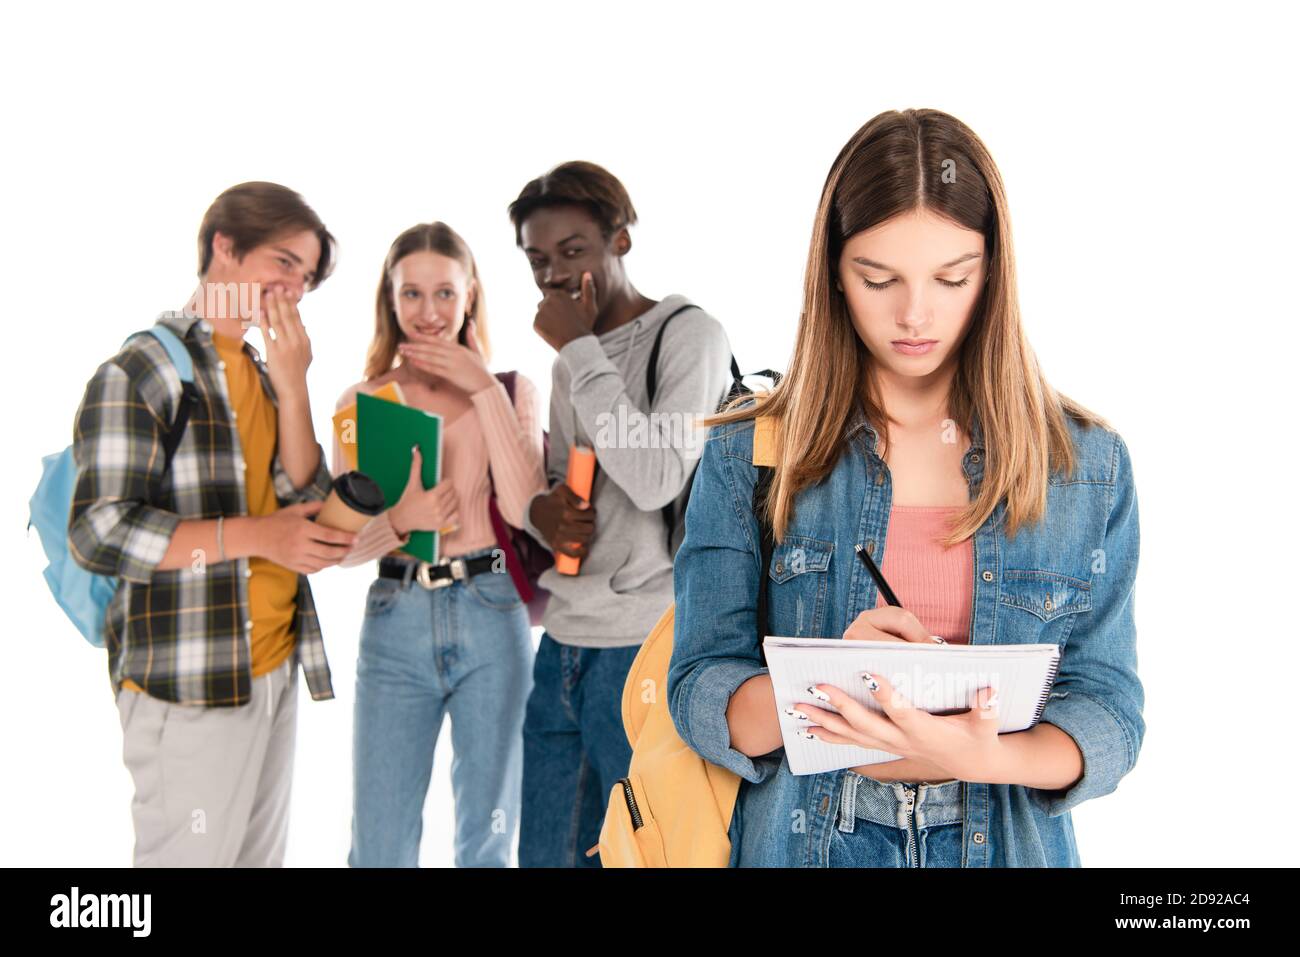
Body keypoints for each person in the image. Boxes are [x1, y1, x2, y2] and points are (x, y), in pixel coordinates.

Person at [669, 109, 1144, 867]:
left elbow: (1109, 712)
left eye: (952, 277)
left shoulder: (1085, 465)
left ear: (992, 271)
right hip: (810, 841)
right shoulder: (750, 450)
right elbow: (698, 689)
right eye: (878, 277)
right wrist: (830, 679)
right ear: (833, 270)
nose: (915, 314)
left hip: (1005, 841)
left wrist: (988, 756)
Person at [70, 181, 355, 866]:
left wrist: (295, 385)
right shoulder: (145, 368)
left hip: (273, 672)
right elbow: (99, 530)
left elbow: (299, 490)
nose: (294, 288)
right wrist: (261, 536)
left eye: (307, 276)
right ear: (224, 246)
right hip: (190, 681)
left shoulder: (261, 374)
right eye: (283, 262)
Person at [509, 161, 734, 866]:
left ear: (620, 240)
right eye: (537, 260)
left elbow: (655, 476)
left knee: (643, 853)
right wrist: (545, 512)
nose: (552, 276)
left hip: (642, 646)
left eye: (572, 251)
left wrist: (578, 346)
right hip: (562, 645)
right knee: (546, 855)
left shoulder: (689, 334)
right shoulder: (566, 366)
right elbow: (561, 481)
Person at [334, 222, 546, 868]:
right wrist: (399, 519)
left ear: (471, 295)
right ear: (390, 300)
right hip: (395, 618)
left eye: (445, 294)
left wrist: (481, 389)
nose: (429, 314)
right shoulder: (361, 402)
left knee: (489, 839)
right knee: (379, 846)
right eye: (412, 295)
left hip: (492, 613)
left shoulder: (512, 390)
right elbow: (338, 546)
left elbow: (524, 509)